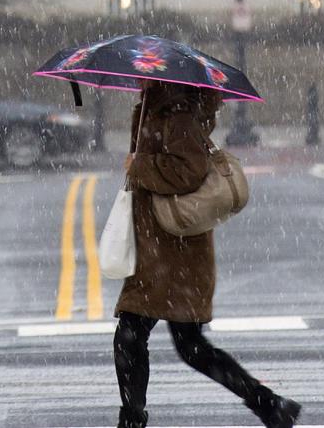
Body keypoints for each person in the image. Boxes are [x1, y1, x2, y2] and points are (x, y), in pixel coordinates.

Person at [113, 81, 300, 428]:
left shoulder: (177, 113)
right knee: (170, 342)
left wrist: (140, 166)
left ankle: (134, 421)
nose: (137, 77)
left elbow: (188, 172)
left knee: (146, 339)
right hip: (161, 251)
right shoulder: (160, 106)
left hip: (175, 255)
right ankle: (270, 405)